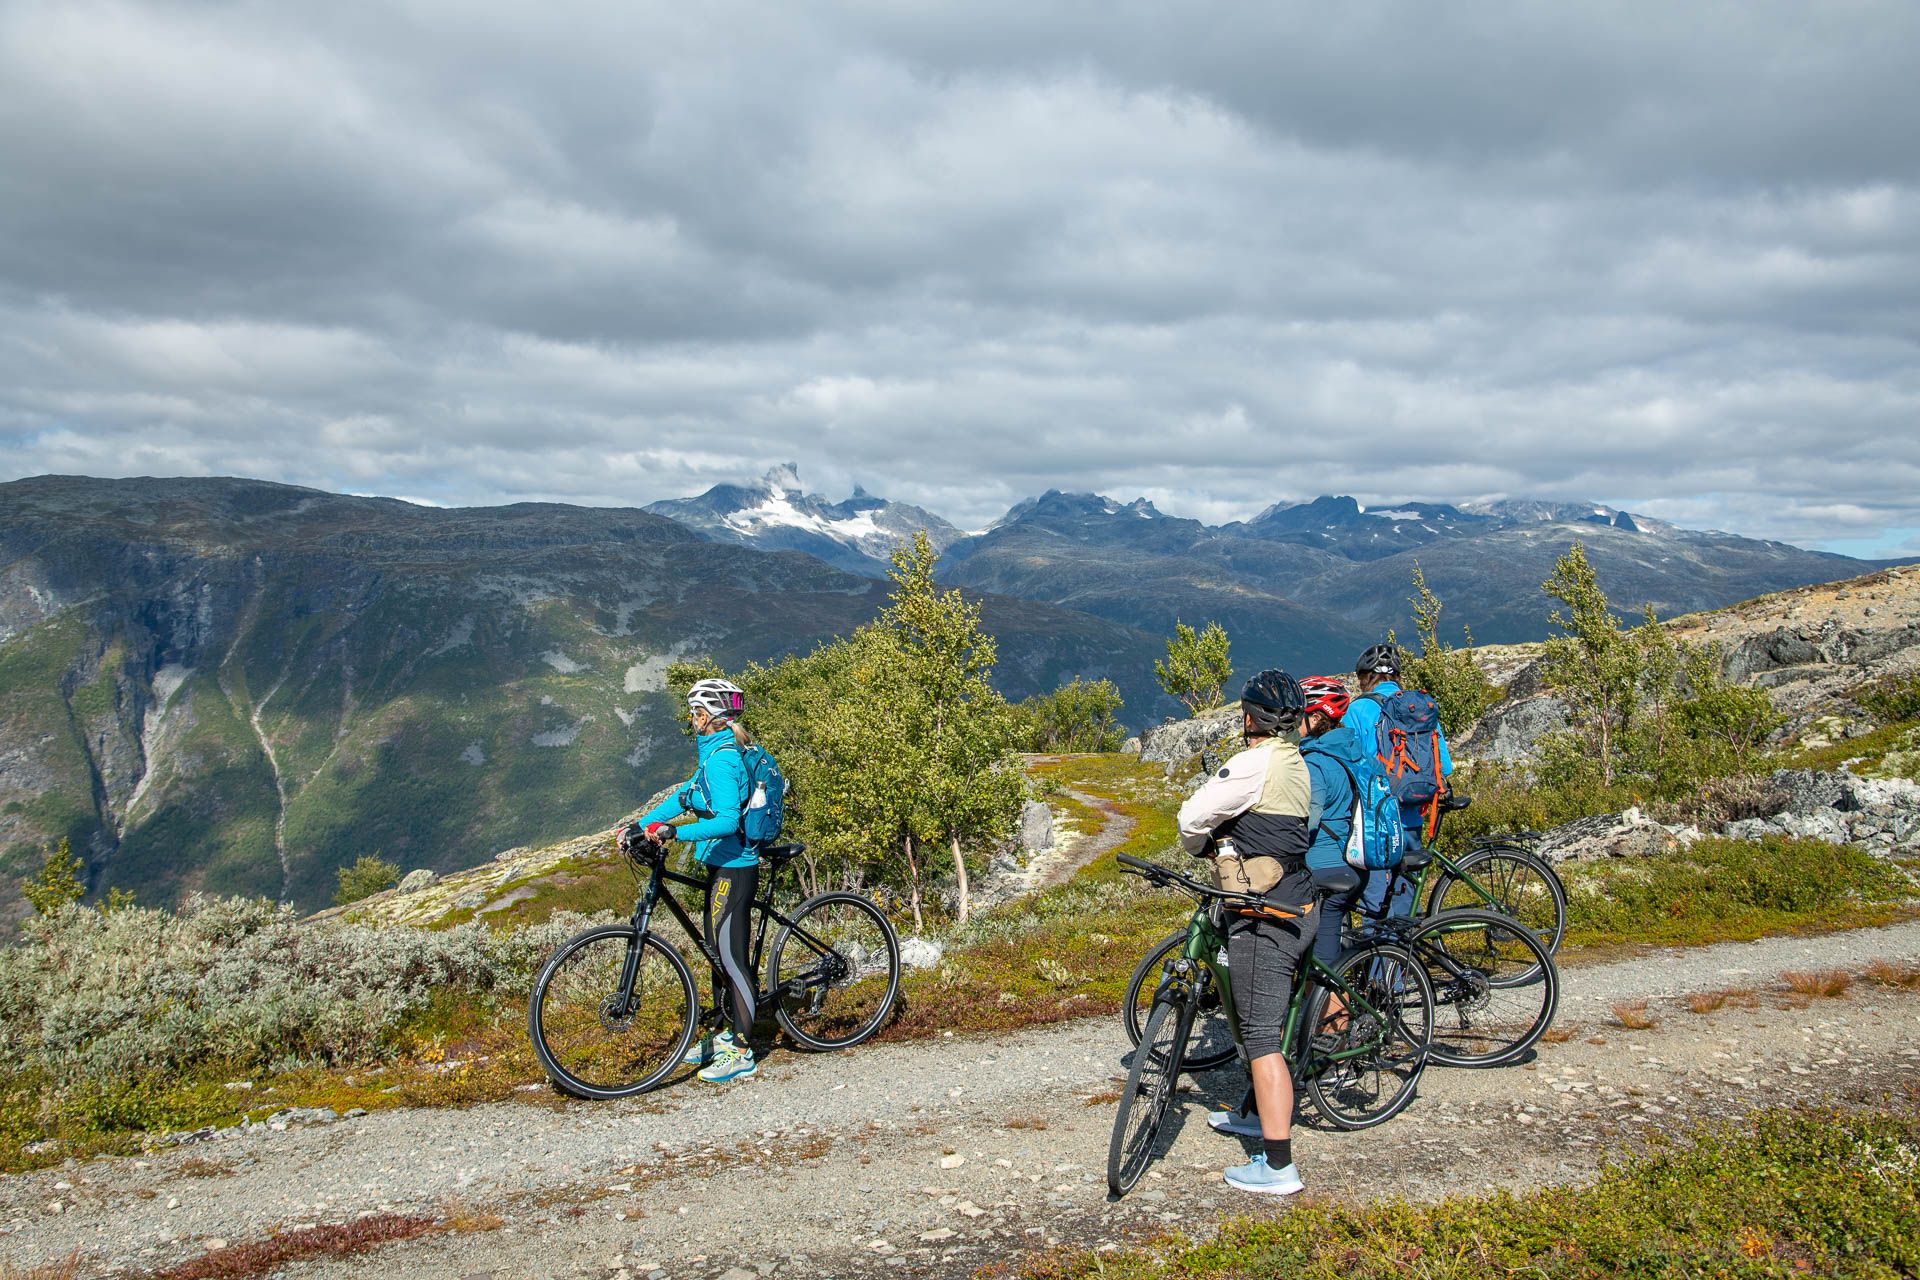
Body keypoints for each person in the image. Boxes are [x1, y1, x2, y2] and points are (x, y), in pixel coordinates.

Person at [1177, 669, 1317, 1197]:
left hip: (1266, 917)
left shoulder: (1253, 763)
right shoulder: (1295, 761)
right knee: (1270, 1023)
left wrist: (1205, 847)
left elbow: (1191, 817)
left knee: (1260, 1038)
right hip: (1302, 902)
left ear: (1247, 718)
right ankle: (1255, 1115)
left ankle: (1278, 1165)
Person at [631, 677, 762, 1084]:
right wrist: (640, 825)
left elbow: (726, 820)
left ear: (705, 716)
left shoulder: (723, 758)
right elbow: (686, 795)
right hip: (719, 865)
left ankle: (743, 1050)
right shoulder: (714, 753)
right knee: (716, 953)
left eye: (693, 713)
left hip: (735, 867)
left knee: (730, 957)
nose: (691, 720)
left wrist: (676, 833)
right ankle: (728, 1031)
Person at [1342, 643, 1453, 918]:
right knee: (1404, 897)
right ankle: (1404, 959)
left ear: (1366, 677)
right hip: (1413, 817)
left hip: (1375, 822)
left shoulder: (1358, 711)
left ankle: (1381, 958)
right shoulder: (1419, 708)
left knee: (1376, 905)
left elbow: (1347, 767)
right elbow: (1445, 767)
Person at [1295, 676, 1364, 970]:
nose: (1294, 720)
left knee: (1324, 967)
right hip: (1354, 861)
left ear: (1316, 717)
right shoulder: (1351, 749)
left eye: (1299, 713)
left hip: (1324, 869)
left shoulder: (1316, 761)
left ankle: (1336, 1015)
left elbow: (1306, 821)